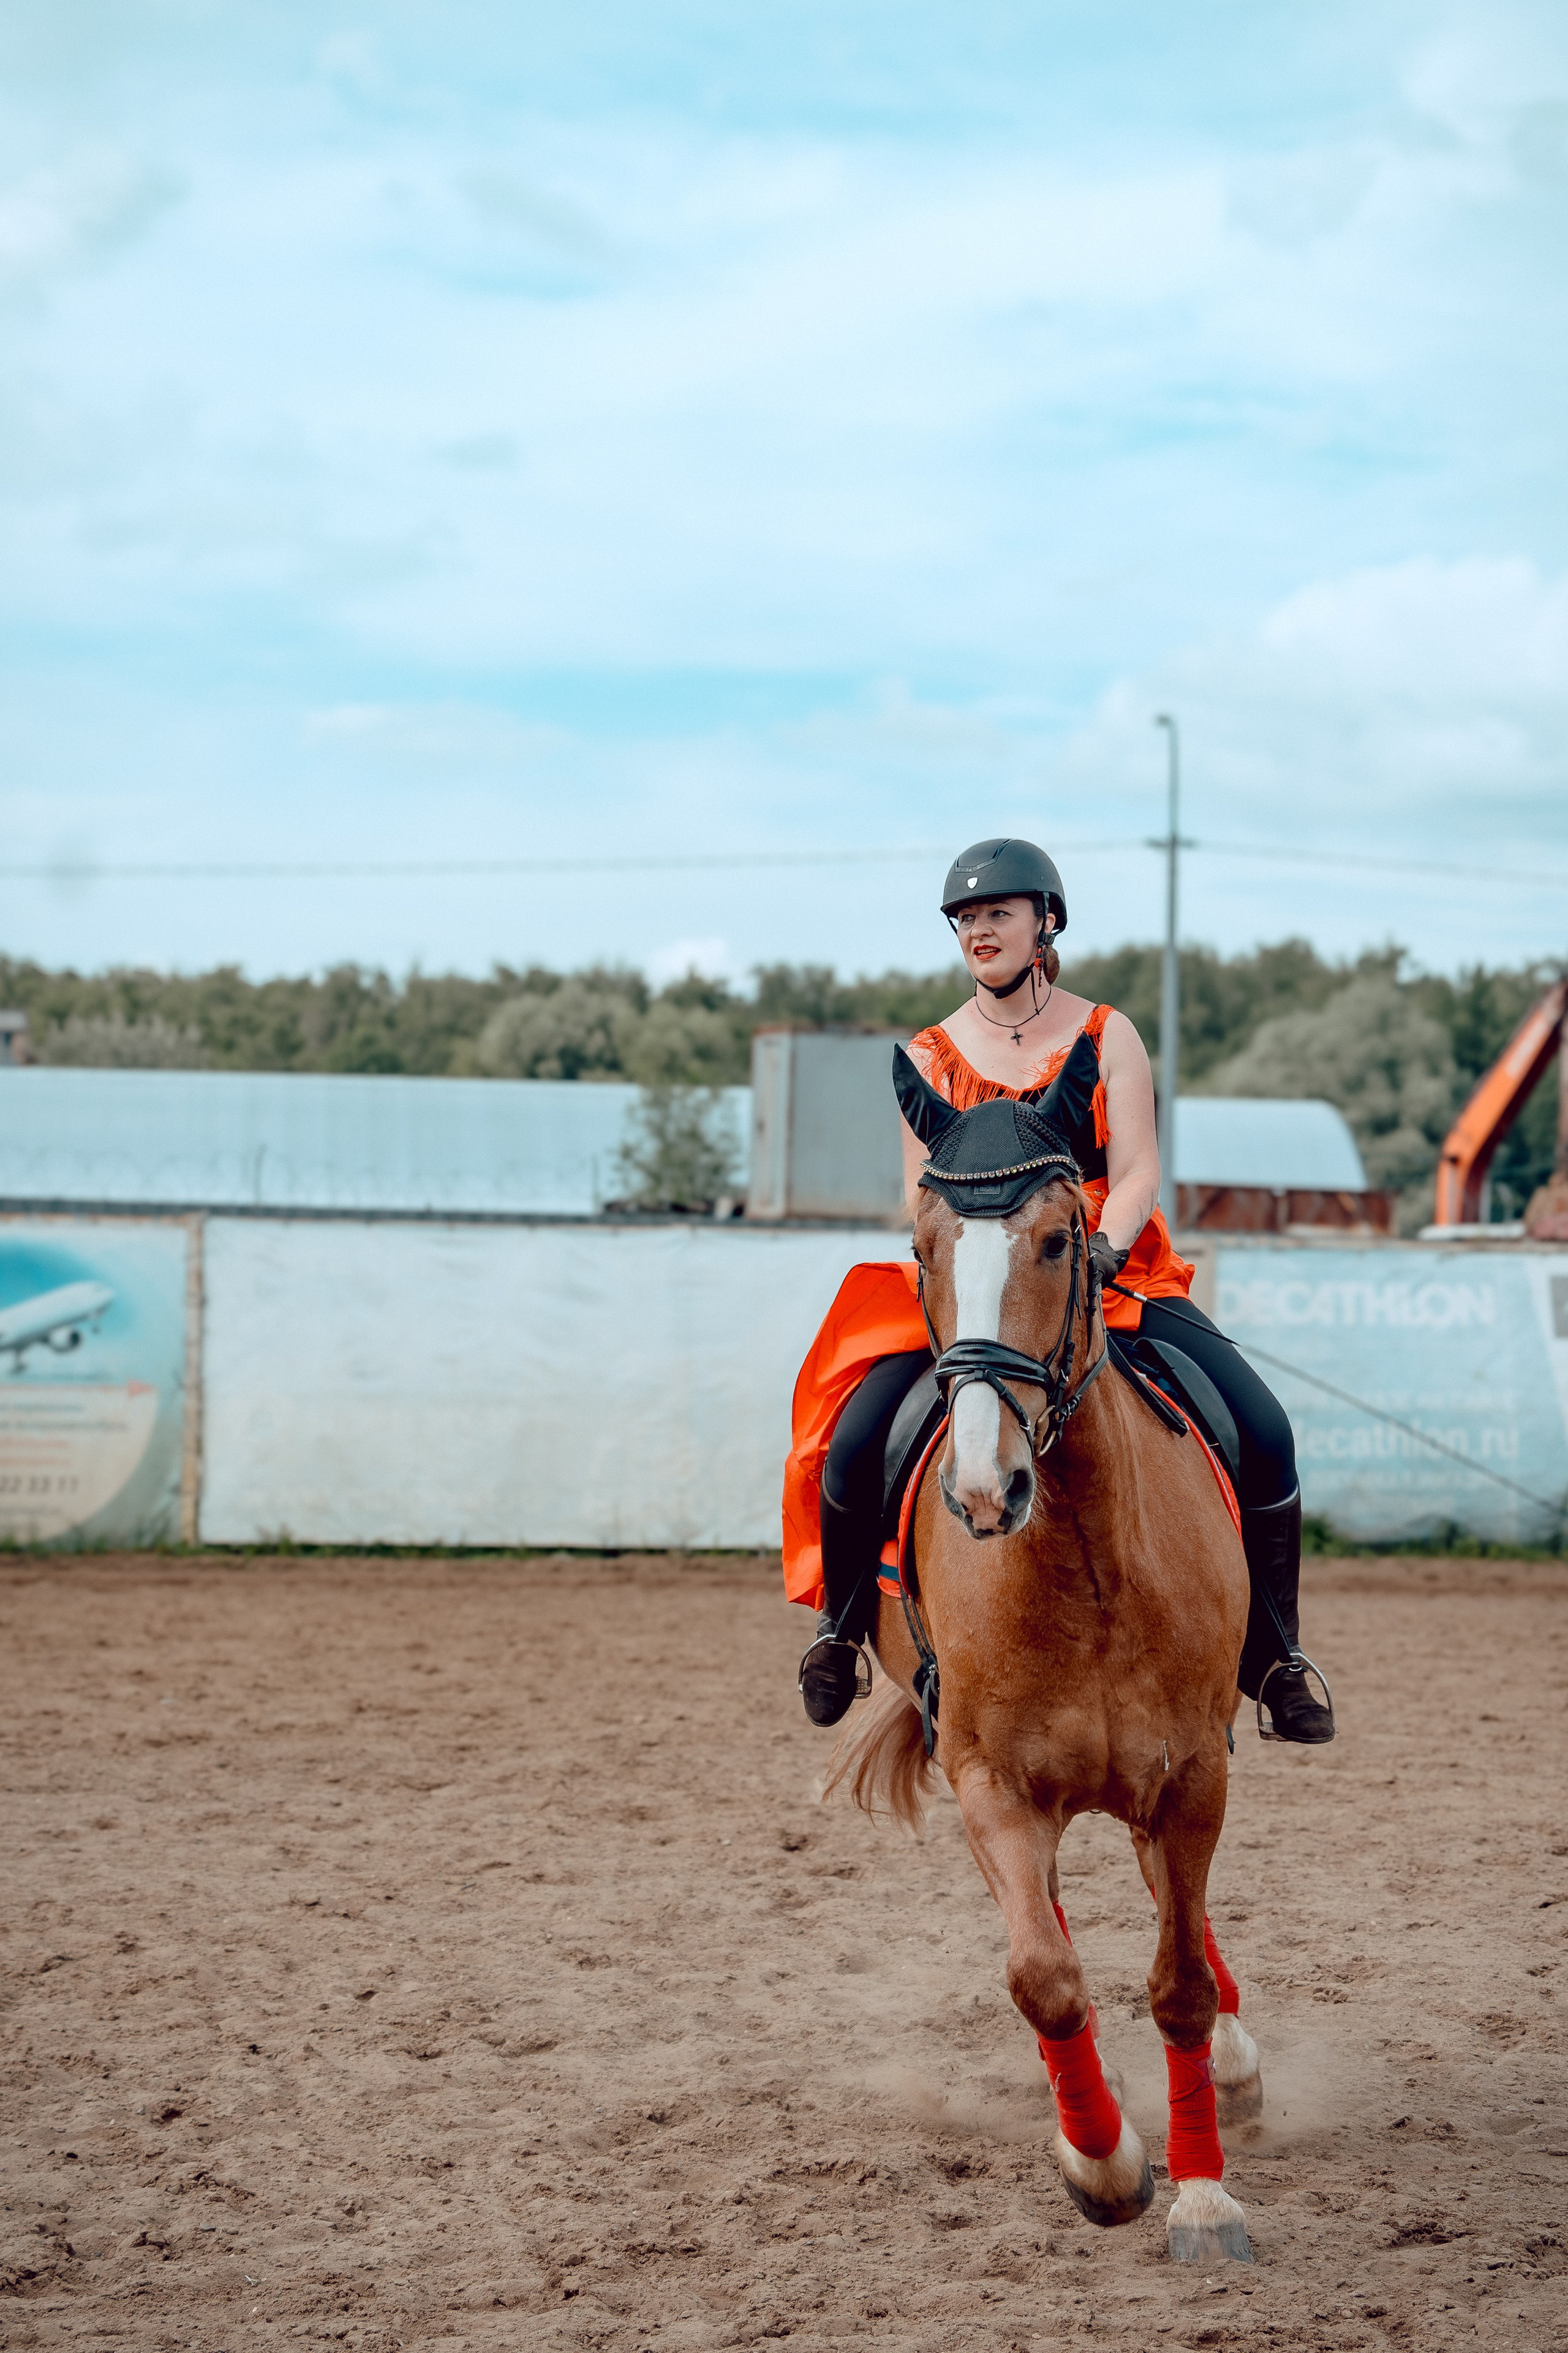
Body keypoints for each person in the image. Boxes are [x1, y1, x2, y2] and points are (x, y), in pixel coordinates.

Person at [794, 835, 1335, 1745]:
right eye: (965, 918)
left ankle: (1277, 1656)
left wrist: (1103, 1251)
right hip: (975, 1284)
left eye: (997, 912)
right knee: (852, 1443)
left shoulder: (1106, 1033)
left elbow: (1136, 1170)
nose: (979, 930)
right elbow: (918, 1196)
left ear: (1046, 920)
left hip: (1104, 1273)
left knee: (1263, 1425)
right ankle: (841, 1633)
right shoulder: (930, 1055)